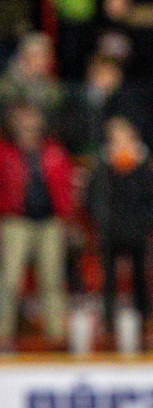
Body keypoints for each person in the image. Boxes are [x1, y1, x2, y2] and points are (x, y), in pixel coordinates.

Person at [0, 101, 76, 348]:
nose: (28, 127)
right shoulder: (5, 152)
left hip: (49, 223)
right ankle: (3, 334)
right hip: (15, 221)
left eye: (32, 121)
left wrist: (67, 218)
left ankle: (56, 336)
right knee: (9, 281)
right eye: (23, 122)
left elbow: (65, 188)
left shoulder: (53, 152)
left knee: (52, 280)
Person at [87, 116, 153, 336]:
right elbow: (94, 199)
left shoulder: (144, 167)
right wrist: (104, 223)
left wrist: (143, 224)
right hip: (111, 230)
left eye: (124, 137)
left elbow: (152, 200)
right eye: (115, 139)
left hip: (137, 230)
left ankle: (143, 318)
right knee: (108, 274)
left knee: (140, 272)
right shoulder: (102, 168)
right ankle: (108, 320)